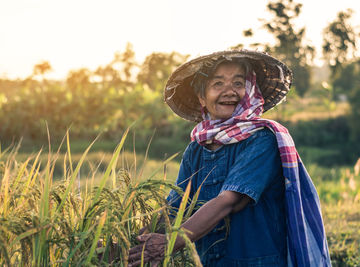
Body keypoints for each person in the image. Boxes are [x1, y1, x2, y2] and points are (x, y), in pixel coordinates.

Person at [128, 50, 331, 267]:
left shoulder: (262, 140)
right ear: (202, 97)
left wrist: (169, 244)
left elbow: (229, 201)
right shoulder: (196, 149)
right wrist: (139, 241)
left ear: (250, 89)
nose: (229, 91)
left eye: (237, 83)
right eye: (218, 84)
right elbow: (176, 205)